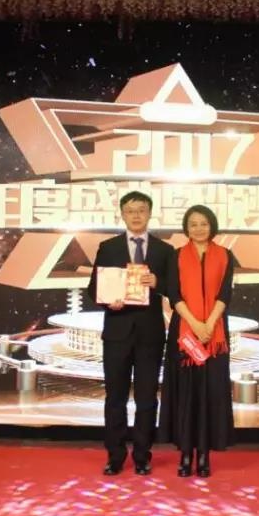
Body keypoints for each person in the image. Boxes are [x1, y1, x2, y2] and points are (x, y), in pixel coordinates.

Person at [86, 191, 173, 476]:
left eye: (141, 210)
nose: (136, 215)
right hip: (117, 332)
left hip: (150, 335)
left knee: (147, 399)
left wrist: (159, 282)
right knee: (115, 398)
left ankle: (142, 456)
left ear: (150, 213)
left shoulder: (164, 250)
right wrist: (107, 301)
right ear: (122, 214)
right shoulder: (108, 247)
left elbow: (175, 289)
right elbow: (93, 289)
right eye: (131, 210)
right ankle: (115, 456)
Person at [159, 204, 236, 477]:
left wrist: (209, 324)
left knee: (209, 393)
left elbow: (225, 294)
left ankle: (204, 455)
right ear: (186, 228)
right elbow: (173, 294)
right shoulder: (176, 256)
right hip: (184, 332)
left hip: (215, 333)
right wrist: (194, 324)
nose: (199, 228)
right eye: (193, 224)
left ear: (211, 225)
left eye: (204, 223)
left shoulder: (225, 255)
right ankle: (185, 454)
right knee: (186, 393)